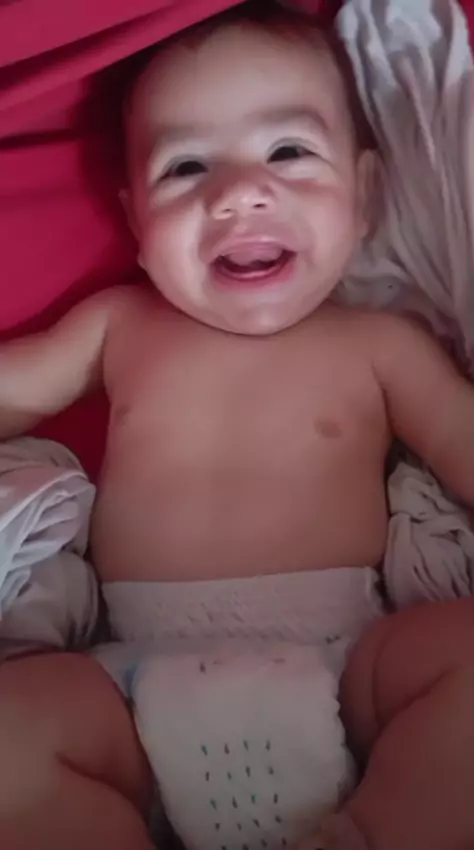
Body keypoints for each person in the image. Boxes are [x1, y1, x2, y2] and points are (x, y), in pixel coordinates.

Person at [0, 3, 472, 849]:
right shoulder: (117, 326)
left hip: (351, 666)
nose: (237, 193)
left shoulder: (380, 345)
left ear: (365, 195)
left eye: (288, 151)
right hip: (129, 687)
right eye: (186, 167)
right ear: (136, 224)